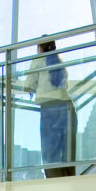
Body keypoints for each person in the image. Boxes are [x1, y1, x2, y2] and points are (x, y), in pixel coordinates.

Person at [24, 39, 76, 177]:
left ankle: (56, 186)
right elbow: (64, 83)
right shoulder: (60, 59)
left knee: (50, 153)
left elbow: (29, 84)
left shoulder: (39, 59)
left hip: (50, 107)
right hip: (67, 106)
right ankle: (70, 183)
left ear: (40, 47)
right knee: (68, 153)